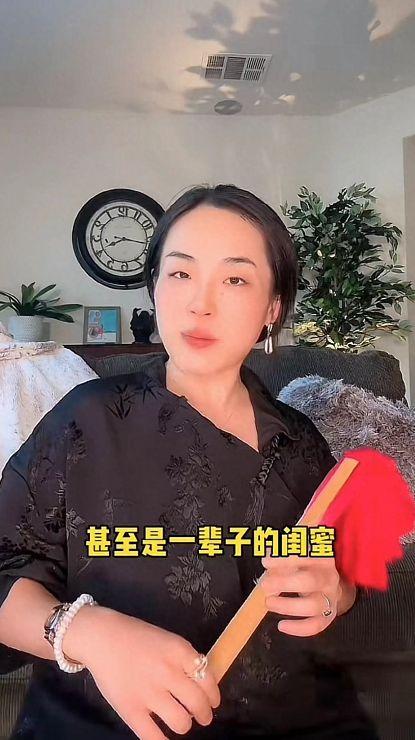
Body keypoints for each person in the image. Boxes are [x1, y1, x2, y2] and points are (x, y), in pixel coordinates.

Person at [0, 185, 377, 740]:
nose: (201, 303)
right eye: (180, 273)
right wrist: (86, 631)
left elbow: (338, 569)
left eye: (235, 279)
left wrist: (335, 594)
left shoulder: (301, 442)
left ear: (272, 309)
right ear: (155, 287)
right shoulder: (87, 421)